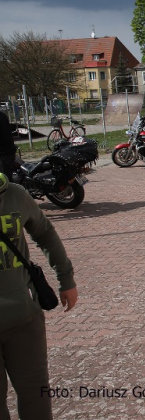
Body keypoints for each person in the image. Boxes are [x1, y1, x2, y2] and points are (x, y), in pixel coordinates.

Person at [0, 172, 78, 420]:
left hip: (23, 318)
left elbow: (44, 233)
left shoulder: (14, 194)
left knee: (36, 394)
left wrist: (66, 278)